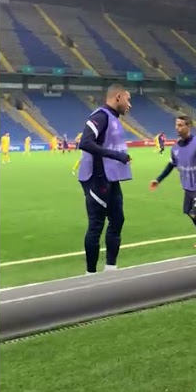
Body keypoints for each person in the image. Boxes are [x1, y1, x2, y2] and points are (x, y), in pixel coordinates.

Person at [77, 83, 133, 274]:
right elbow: (85, 142)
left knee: (117, 220)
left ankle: (110, 268)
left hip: (111, 177)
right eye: (128, 99)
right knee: (97, 224)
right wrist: (117, 156)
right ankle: (90, 274)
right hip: (97, 178)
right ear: (118, 97)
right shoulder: (100, 116)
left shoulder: (114, 118)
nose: (129, 104)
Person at [150, 114, 196, 248]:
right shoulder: (175, 148)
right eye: (176, 125)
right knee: (188, 211)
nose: (177, 128)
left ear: (189, 126)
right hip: (188, 186)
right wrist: (158, 179)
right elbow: (171, 165)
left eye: (180, 125)